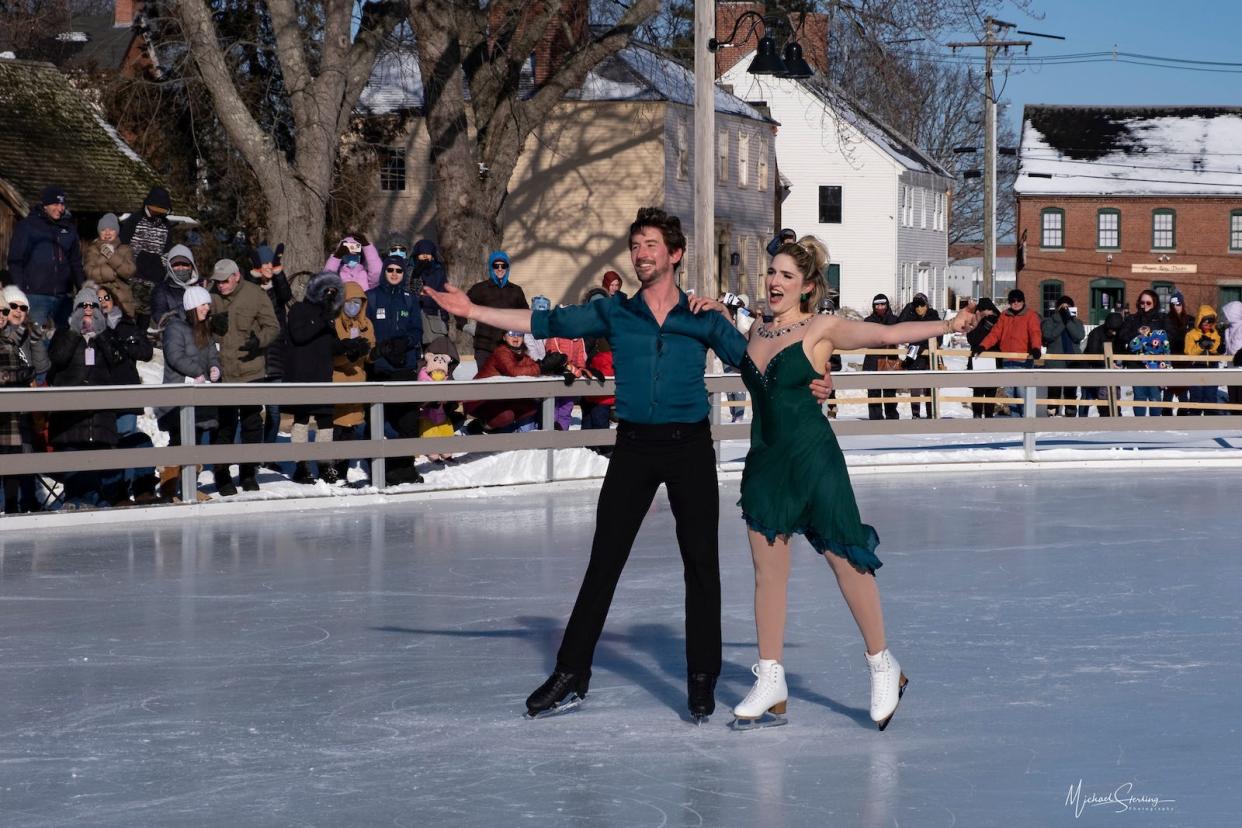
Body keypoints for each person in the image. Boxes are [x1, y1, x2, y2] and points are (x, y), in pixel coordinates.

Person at [423, 206, 832, 723]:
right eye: (635, 245)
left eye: (651, 245)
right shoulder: (615, 311)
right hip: (634, 447)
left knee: (701, 565)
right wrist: (474, 310)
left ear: (675, 254)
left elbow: (759, 363)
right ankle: (571, 673)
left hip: (689, 448)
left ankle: (701, 677)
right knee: (604, 561)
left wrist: (816, 377)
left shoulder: (702, 315)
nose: (641, 254)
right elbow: (542, 320)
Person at [694, 237, 977, 731]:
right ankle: (771, 678)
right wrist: (716, 307)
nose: (775, 282)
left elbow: (884, 335)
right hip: (766, 462)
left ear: (806, 286)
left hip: (813, 458)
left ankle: (883, 664)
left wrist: (948, 324)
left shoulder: (821, 327)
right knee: (767, 574)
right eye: (772, 273)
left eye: (786, 276)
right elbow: (732, 330)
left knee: (845, 560)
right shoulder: (756, 328)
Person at [208, 258, 280, 494]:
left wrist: (258, 341)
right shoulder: (212, 295)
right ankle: (222, 474)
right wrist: (210, 324)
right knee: (224, 426)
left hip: (250, 371)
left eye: (224, 281)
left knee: (251, 423)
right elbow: (198, 324)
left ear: (236, 276)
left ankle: (248, 472)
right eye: (217, 282)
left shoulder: (255, 294)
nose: (221, 286)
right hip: (223, 372)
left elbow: (273, 327)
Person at [46, 287, 120, 508]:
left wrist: (101, 332)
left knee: (94, 464)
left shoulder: (106, 334)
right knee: (73, 461)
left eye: (92, 306)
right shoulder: (63, 334)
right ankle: (74, 501)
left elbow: (117, 359)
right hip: (70, 417)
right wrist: (74, 331)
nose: (88, 310)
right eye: (82, 306)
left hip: (99, 418)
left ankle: (93, 504)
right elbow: (57, 358)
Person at [94, 283, 157, 505]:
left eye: (106, 297)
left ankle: (138, 488)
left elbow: (146, 352)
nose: (103, 302)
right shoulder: (94, 328)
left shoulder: (127, 325)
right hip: (104, 394)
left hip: (127, 390)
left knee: (130, 437)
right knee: (113, 441)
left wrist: (126, 344)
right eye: (98, 299)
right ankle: (117, 491)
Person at [156, 285, 219, 503]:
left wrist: (214, 367)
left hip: (200, 396)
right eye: (203, 304)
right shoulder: (175, 328)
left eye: (208, 304)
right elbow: (175, 356)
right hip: (179, 395)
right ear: (193, 306)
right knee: (179, 441)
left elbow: (211, 351)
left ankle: (190, 487)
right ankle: (168, 488)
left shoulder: (204, 328)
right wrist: (197, 371)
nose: (207, 308)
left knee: (196, 442)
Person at [367, 254, 424, 484]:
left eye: (398, 271)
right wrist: (377, 349)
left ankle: (404, 468)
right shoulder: (371, 298)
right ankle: (381, 470)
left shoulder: (410, 299)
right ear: (383, 272)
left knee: (409, 422)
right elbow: (364, 330)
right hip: (380, 369)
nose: (393, 274)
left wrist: (405, 343)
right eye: (390, 269)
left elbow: (417, 331)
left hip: (404, 367)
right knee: (379, 423)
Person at [285, 272, 342, 484]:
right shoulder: (299, 309)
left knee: (326, 420)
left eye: (332, 292)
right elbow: (300, 335)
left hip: (323, 374)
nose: (328, 295)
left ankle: (325, 464)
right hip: (302, 374)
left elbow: (329, 343)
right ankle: (300, 465)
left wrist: (348, 347)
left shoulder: (329, 315)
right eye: (325, 290)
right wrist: (322, 319)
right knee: (302, 419)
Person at [6, 185, 86, 330]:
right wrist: (21, 290)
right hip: (35, 296)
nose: (60, 208)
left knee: (63, 340)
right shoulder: (28, 226)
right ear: (45, 205)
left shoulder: (68, 229)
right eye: (55, 204)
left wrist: (83, 289)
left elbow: (75, 263)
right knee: (36, 338)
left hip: (63, 297)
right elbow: (15, 261)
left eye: (62, 204)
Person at [1, 286, 49, 513]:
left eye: (23, 308)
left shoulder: (26, 334)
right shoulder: (5, 334)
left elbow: (41, 368)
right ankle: (8, 505)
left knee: (25, 456)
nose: (19, 312)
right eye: (13, 307)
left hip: (24, 409)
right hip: (6, 411)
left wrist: (37, 342)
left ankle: (28, 503)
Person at [330, 281, 375, 482]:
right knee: (336, 430)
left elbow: (369, 354)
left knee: (349, 430)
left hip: (358, 382)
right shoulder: (334, 323)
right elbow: (330, 356)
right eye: (349, 302)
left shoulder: (365, 324)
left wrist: (378, 353)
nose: (353, 306)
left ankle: (342, 471)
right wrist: (349, 354)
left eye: (357, 303)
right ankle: (332, 470)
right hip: (337, 383)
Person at [976, 288, 1042, 416]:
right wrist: (983, 346)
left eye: (1018, 300)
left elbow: (1035, 333)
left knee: (1022, 392)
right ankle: (1015, 421)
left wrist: (1035, 348)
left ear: (1023, 301)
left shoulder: (1031, 315)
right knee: (1010, 393)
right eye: (1012, 301)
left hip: (1023, 360)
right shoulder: (1004, 315)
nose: (1015, 303)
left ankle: (1026, 420)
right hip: (1007, 359)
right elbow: (995, 333)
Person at [119, 186, 175, 329]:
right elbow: (123, 245)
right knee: (127, 317)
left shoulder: (166, 226)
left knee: (144, 320)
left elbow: (166, 252)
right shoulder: (135, 220)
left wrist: (160, 271)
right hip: (132, 278)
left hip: (153, 281)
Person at [460, 251, 528, 369]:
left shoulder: (516, 290)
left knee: (507, 383)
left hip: (509, 347)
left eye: (504, 266)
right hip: (484, 346)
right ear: (491, 267)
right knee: (486, 381)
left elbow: (526, 315)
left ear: (507, 268)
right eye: (496, 266)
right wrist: (465, 326)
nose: (500, 269)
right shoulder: (480, 289)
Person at [1119, 289, 1169, 416]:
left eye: (1148, 303)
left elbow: (1169, 337)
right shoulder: (1132, 319)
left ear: (1154, 303)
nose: (1144, 305)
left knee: (1155, 395)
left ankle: (1155, 426)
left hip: (1155, 364)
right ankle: (1140, 426)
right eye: (1142, 302)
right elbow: (1123, 336)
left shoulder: (1161, 319)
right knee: (1139, 395)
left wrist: (1152, 333)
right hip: (1136, 364)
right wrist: (1138, 332)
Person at [896, 293, 940, 419]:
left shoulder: (933, 316)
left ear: (927, 305)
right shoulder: (912, 317)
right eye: (916, 305)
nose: (919, 308)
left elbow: (938, 338)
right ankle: (915, 414)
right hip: (913, 358)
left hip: (928, 358)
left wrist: (921, 346)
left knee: (929, 387)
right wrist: (909, 306)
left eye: (922, 305)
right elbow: (899, 324)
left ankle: (931, 414)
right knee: (915, 388)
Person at [1040, 295, 1085, 416]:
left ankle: (1070, 413)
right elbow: (1049, 336)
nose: (1065, 309)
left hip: (1072, 361)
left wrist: (1068, 321)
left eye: (1068, 307)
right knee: (1054, 390)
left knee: (1071, 390)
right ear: (1057, 308)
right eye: (1063, 307)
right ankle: (1052, 413)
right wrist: (1062, 322)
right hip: (1055, 361)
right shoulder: (1049, 321)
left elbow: (1078, 336)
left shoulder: (1077, 322)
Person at [83, 213, 136, 314]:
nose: (107, 233)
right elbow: (90, 273)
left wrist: (111, 256)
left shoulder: (125, 249)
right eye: (103, 230)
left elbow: (129, 271)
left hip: (122, 301)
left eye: (111, 229)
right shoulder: (92, 249)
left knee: (122, 328)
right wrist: (113, 273)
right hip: (99, 299)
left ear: (117, 231)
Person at [862, 294, 900, 420]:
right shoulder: (868, 321)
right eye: (877, 305)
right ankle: (875, 417)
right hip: (873, 359)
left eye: (882, 304)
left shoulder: (894, 320)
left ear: (887, 305)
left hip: (890, 358)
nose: (880, 307)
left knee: (890, 390)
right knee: (874, 390)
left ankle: (892, 416)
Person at [1081, 311, 1124, 416]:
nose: (1114, 333)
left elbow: (1121, 350)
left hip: (1111, 370)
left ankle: (1116, 414)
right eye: (1112, 330)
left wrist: (1120, 362)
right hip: (1093, 368)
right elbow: (1092, 353)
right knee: (1089, 395)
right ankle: (1084, 418)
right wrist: (1108, 363)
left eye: (1116, 330)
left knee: (1113, 393)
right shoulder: (1096, 334)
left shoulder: (1119, 335)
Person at [1183, 304, 1223, 414]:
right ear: (1199, 320)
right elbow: (1188, 352)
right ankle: (1195, 419)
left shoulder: (1215, 333)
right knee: (1196, 395)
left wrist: (1215, 347)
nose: (1207, 325)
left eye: (1210, 322)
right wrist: (1200, 346)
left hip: (1212, 367)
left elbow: (1217, 349)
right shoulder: (1191, 334)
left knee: (1210, 395)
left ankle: (1210, 420)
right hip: (1196, 367)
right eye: (1205, 322)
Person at [966, 298, 1000, 418]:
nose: (983, 312)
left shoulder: (992, 321)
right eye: (981, 310)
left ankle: (982, 415)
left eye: (985, 309)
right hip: (985, 360)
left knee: (984, 390)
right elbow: (972, 339)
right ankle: (983, 415)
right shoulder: (995, 320)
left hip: (986, 358)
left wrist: (976, 327)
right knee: (985, 390)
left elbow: (974, 339)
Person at [410, 239, 450, 344]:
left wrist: (444, 320)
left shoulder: (439, 272)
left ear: (432, 256)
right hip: (413, 318)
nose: (425, 256)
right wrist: (415, 275)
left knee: (433, 353)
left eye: (428, 253)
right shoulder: (409, 271)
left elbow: (443, 296)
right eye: (422, 253)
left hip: (433, 318)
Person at [1163, 292, 1193, 416]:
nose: (1176, 307)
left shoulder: (1190, 320)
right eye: (1173, 304)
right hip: (1170, 358)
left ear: (1182, 304)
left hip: (1185, 359)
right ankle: (1166, 414)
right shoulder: (1166, 319)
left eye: (1179, 304)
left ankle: (1183, 414)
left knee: (1183, 390)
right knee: (1168, 390)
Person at [1223, 301, 1242, 407]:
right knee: (1233, 398)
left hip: (1240, 369)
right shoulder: (1227, 331)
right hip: (1230, 367)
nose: (1225, 316)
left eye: (1227, 313)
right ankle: (1234, 418)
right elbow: (1227, 349)